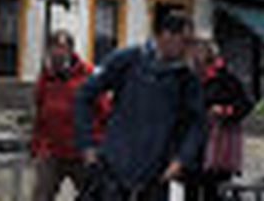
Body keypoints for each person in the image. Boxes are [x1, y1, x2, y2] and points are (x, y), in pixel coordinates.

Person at [75, 13, 205, 201]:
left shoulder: (186, 77)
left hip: (155, 174)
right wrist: (87, 144)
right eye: (185, 41)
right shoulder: (128, 60)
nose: (188, 49)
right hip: (114, 168)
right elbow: (84, 94)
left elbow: (197, 123)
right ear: (166, 36)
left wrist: (181, 160)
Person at [31, 30, 103, 201]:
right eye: (53, 48)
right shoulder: (45, 78)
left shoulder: (88, 75)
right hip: (52, 151)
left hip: (82, 153)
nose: (57, 52)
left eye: (62, 48)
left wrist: (97, 145)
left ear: (71, 51)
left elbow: (104, 111)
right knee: (41, 195)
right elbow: (40, 112)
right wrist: (37, 145)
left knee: (93, 195)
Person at [187, 39, 253, 201]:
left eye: (198, 55)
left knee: (214, 191)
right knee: (191, 190)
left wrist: (224, 111)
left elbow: (246, 104)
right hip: (194, 145)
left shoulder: (226, 79)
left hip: (218, 147)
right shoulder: (190, 79)